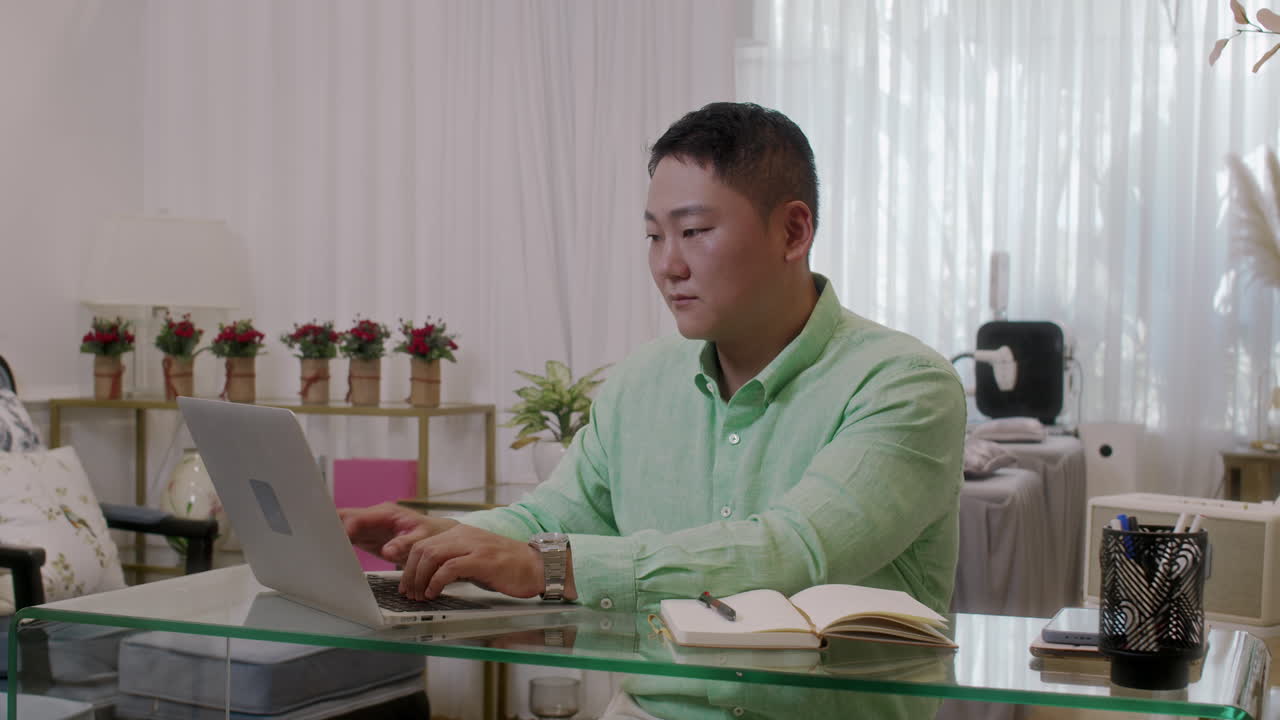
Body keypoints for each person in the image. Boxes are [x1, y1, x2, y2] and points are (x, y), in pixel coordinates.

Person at [341, 102, 966, 719]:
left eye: (694, 232)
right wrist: (442, 541)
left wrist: (549, 566)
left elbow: (794, 548)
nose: (668, 265)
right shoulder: (641, 381)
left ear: (793, 232)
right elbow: (553, 515)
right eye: (654, 236)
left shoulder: (904, 384)